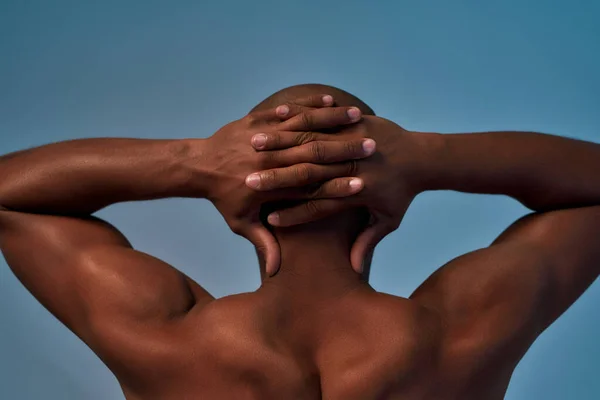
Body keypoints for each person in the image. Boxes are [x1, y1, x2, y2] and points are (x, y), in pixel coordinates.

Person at [0, 83, 598, 399]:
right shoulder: (461, 336)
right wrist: (427, 158)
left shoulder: (164, 341)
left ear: (243, 208)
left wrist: (196, 162)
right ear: (378, 212)